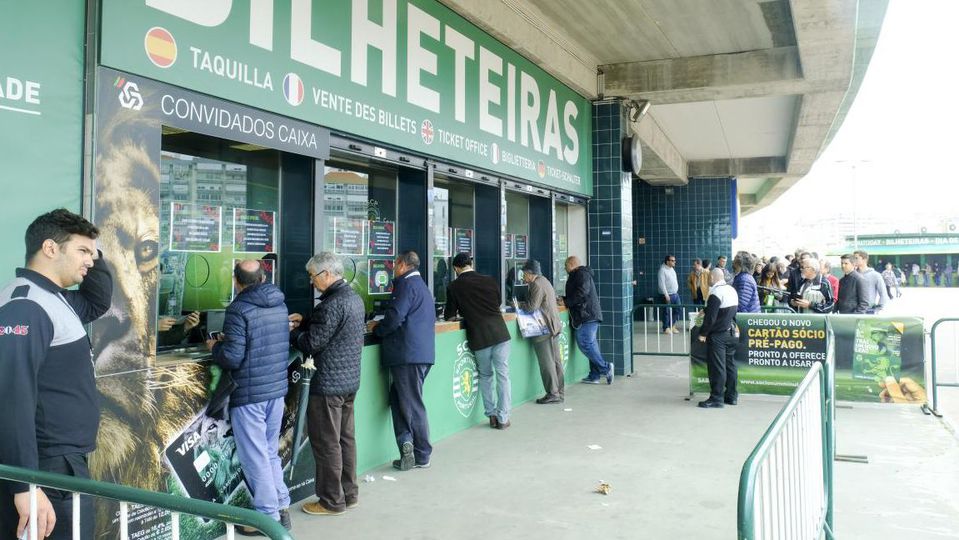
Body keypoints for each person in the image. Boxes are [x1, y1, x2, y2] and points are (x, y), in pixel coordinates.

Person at [0, 209, 113, 540]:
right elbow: (11, 396)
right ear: (50, 248)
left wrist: (93, 248)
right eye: (82, 251)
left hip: (60, 464)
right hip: (46, 468)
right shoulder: (27, 305)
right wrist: (26, 484)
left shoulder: (53, 297)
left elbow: (97, 301)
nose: (90, 261)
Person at [208, 260, 291, 533]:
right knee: (269, 452)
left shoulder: (238, 309)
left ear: (236, 281)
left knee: (255, 457)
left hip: (250, 394)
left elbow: (232, 357)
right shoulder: (280, 304)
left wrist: (215, 346)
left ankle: (267, 518)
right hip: (275, 392)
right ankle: (282, 505)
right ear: (263, 276)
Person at [290, 253, 365, 515]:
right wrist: (307, 322)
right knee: (345, 440)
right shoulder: (353, 298)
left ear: (327, 274)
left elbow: (312, 343)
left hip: (327, 386)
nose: (312, 282)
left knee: (326, 443)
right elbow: (332, 329)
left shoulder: (330, 305)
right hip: (348, 383)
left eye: (313, 276)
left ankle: (331, 501)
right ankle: (348, 493)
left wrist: (294, 332)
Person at [372, 251, 435, 470]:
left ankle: (422, 453)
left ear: (402, 265)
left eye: (395, 264)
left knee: (412, 403)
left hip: (407, 355)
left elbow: (395, 316)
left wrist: (378, 330)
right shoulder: (421, 285)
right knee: (399, 400)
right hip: (419, 353)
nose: (393, 268)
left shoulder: (406, 285)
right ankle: (406, 445)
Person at [444, 253, 513, 428]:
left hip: (480, 336)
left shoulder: (454, 286)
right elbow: (497, 303)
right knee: (503, 375)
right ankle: (504, 418)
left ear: (455, 268)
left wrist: (465, 313)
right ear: (471, 264)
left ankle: (491, 415)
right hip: (500, 333)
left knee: (486, 375)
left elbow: (449, 316)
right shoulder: (489, 280)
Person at [519, 259, 564, 404]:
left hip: (544, 329)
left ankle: (552, 393)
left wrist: (517, 304)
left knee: (547, 363)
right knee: (556, 361)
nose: (523, 277)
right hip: (553, 326)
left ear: (530, 273)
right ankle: (559, 391)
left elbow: (532, 306)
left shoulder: (536, 284)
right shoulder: (544, 280)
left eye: (524, 274)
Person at [563, 256, 612, 385]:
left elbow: (581, 293)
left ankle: (606, 368)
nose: (564, 268)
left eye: (565, 266)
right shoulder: (580, 274)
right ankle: (594, 375)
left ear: (572, 264)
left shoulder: (580, 274)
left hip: (587, 315)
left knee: (585, 343)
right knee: (591, 345)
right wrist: (564, 299)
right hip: (588, 314)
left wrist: (567, 302)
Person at [696, 268, 739, 409]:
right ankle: (731, 396)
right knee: (730, 365)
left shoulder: (715, 292)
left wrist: (703, 334)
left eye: (709, 277)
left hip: (718, 336)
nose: (709, 279)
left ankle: (716, 398)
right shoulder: (731, 290)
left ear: (713, 278)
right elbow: (724, 310)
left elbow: (711, 318)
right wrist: (707, 309)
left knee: (717, 368)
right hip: (731, 333)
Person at [657, 255, 680, 334]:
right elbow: (661, 284)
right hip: (667, 295)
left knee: (677, 310)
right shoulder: (662, 270)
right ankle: (666, 328)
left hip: (675, 294)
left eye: (674, 260)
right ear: (667, 261)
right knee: (666, 312)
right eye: (672, 260)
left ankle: (671, 325)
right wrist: (666, 294)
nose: (674, 262)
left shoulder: (672, 269)